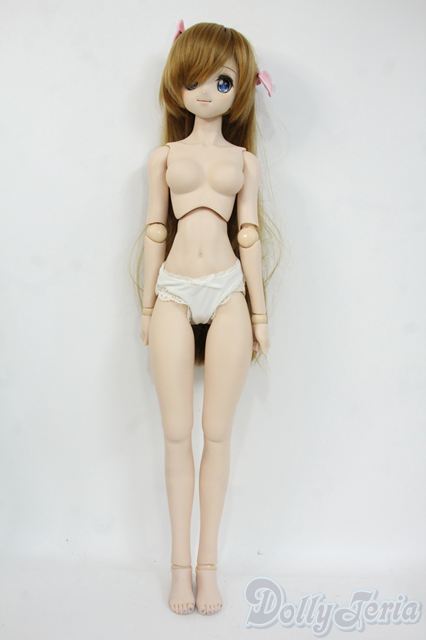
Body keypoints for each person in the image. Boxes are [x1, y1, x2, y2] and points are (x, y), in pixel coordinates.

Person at [131, 19, 281, 615]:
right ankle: (178, 568)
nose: (207, 92)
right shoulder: (163, 157)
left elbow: (248, 237)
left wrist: (260, 314)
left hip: (227, 294)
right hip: (172, 290)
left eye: (222, 81)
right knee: (176, 434)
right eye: (194, 80)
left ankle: (208, 566)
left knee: (216, 434)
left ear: (240, 88)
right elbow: (154, 230)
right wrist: (147, 304)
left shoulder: (244, 162)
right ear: (177, 83)